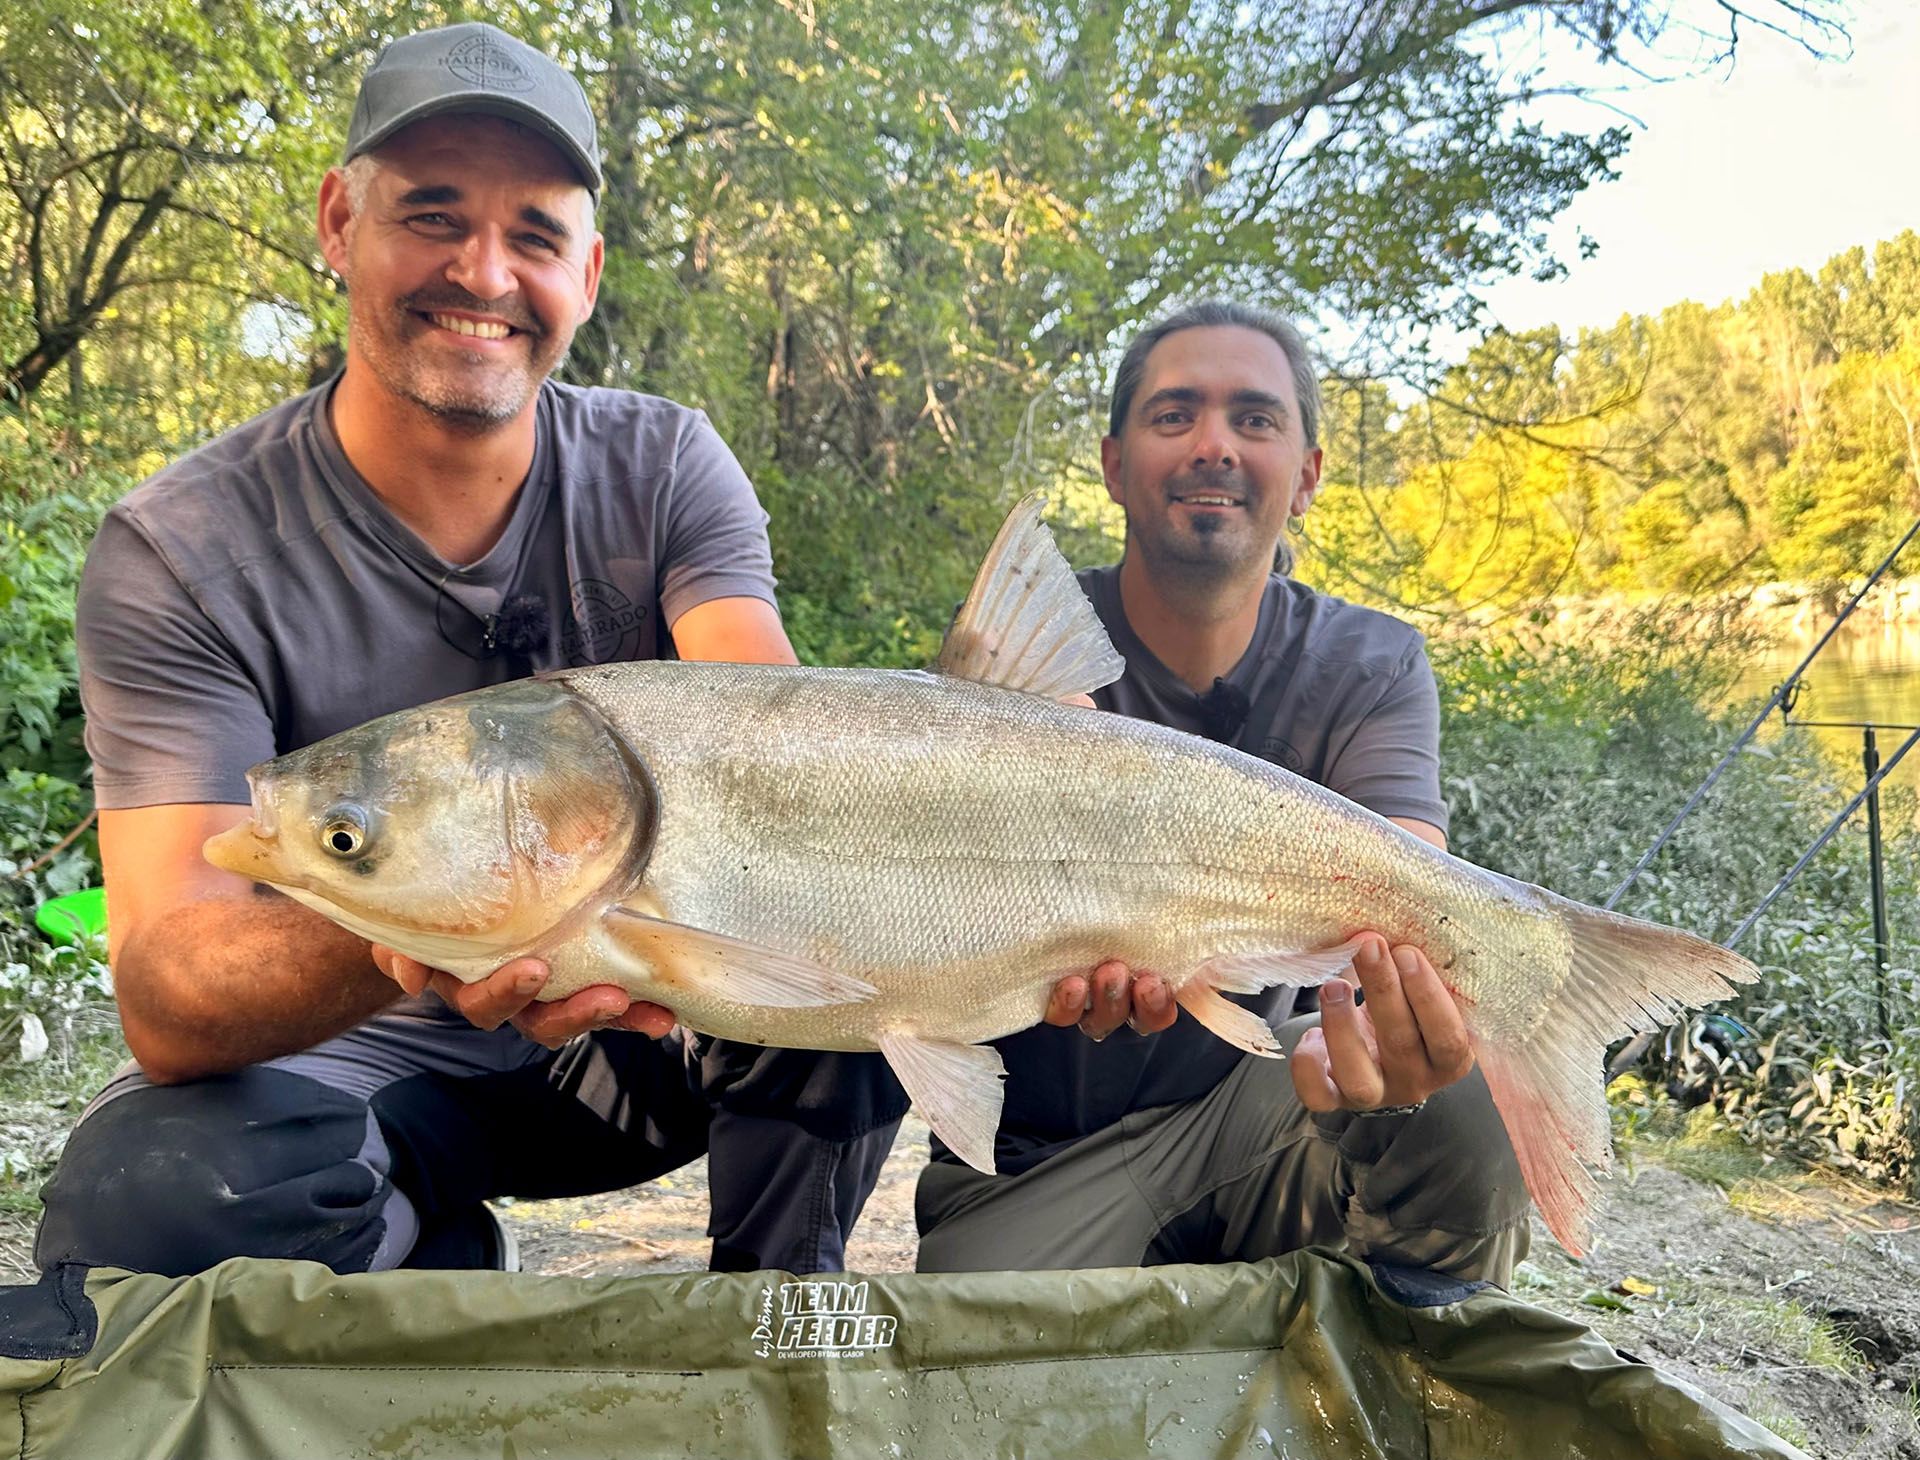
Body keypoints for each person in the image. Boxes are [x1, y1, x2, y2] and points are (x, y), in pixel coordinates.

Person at [35, 22, 903, 1279]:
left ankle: (772, 1329)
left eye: (535, 234)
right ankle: (421, 1246)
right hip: (359, 1068)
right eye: (432, 216)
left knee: (845, 965)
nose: (484, 272)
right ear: (339, 222)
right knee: (153, 1202)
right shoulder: (179, 548)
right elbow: (170, 992)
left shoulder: (666, 469)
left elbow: (781, 755)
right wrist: (448, 920)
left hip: (642, 1033)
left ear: (588, 272)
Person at [916, 301, 1533, 1283]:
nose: (1213, 444)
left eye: (1253, 418)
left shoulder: (1370, 662)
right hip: (1036, 1162)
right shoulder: (1011, 645)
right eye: (1175, 416)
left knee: (1466, 1077)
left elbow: (1415, 882)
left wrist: (1412, 1017)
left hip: (1275, 1107)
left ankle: (1412, 1383)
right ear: (1115, 464)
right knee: (982, 1414)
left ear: (1309, 473)